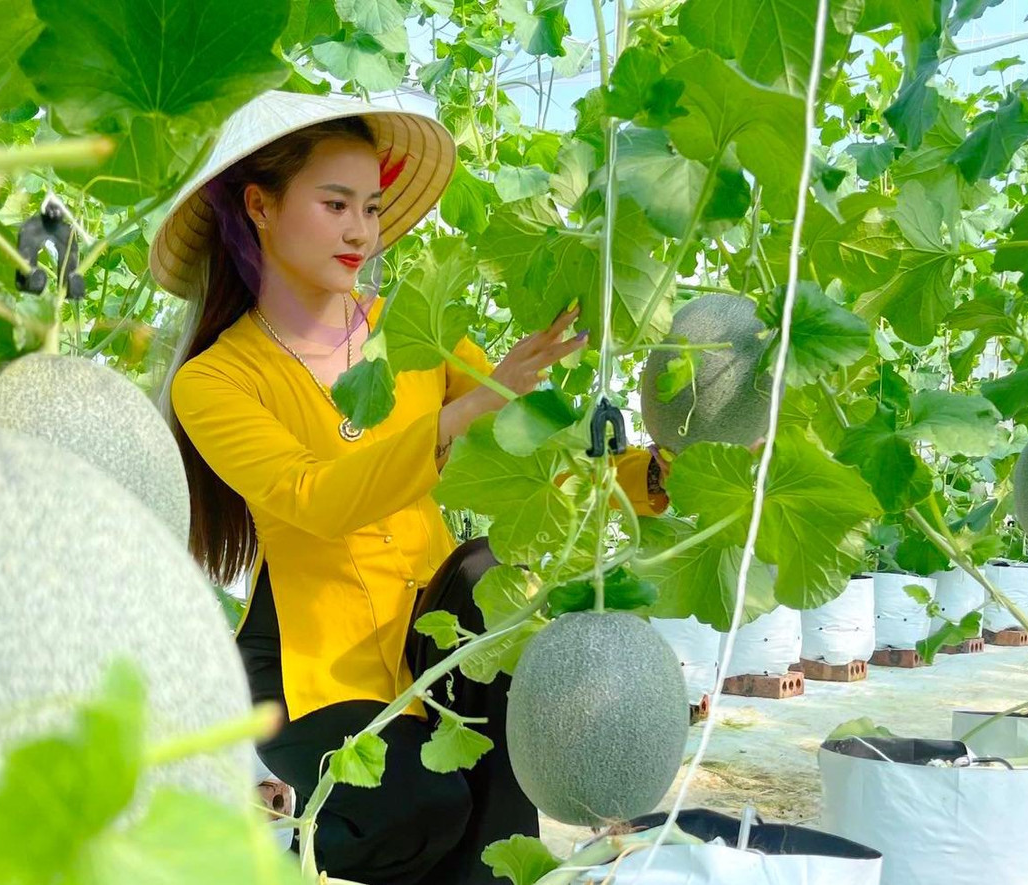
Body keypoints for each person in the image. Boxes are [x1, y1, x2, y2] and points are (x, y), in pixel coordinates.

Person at [152, 90, 668, 885]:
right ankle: (285, 846)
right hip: (308, 663)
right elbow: (315, 496)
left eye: (370, 206)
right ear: (260, 206)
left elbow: (527, 454)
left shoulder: (413, 326)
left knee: (488, 585)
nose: (361, 231)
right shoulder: (215, 378)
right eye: (335, 205)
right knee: (417, 805)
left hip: (437, 622)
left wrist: (645, 473)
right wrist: (456, 413)